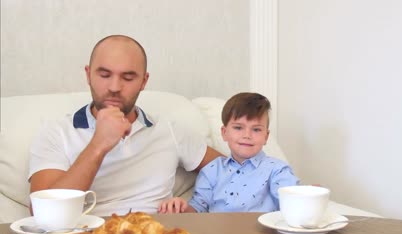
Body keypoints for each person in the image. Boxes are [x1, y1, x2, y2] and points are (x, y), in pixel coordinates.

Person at [28, 35, 221, 216]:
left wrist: (195, 208)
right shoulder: (57, 132)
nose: (114, 87)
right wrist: (98, 145)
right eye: (104, 75)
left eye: (128, 78)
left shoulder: (167, 130)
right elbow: (42, 213)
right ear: (88, 75)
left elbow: (237, 173)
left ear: (143, 81)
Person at [158, 92, 299, 213]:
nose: (247, 135)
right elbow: (197, 210)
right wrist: (181, 207)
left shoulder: (277, 170)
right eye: (238, 128)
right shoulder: (211, 171)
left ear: (266, 136)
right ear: (224, 133)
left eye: (256, 130)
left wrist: (308, 197)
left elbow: (293, 200)